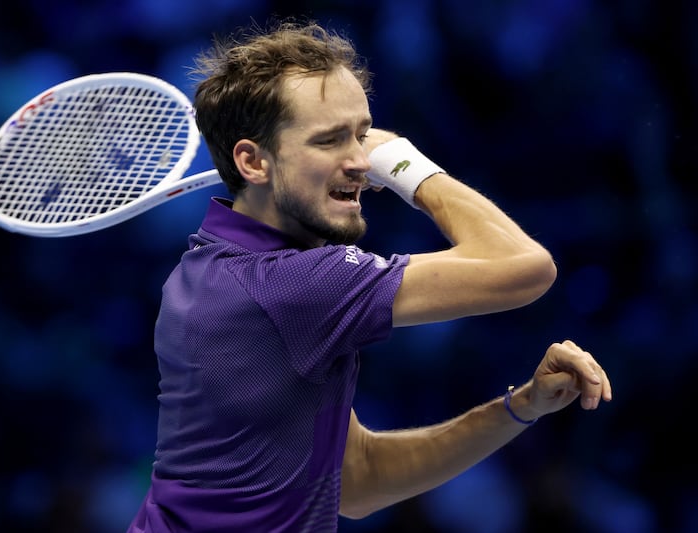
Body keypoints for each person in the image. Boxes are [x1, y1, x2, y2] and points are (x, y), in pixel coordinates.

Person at [127, 20, 612, 532]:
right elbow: (525, 268)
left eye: (363, 134)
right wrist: (404, 163)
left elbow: (360, 481)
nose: (362, 162)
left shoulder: (210, 268)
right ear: (253, 161)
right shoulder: (293, 285)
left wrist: (521, 407)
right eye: (330, 140)